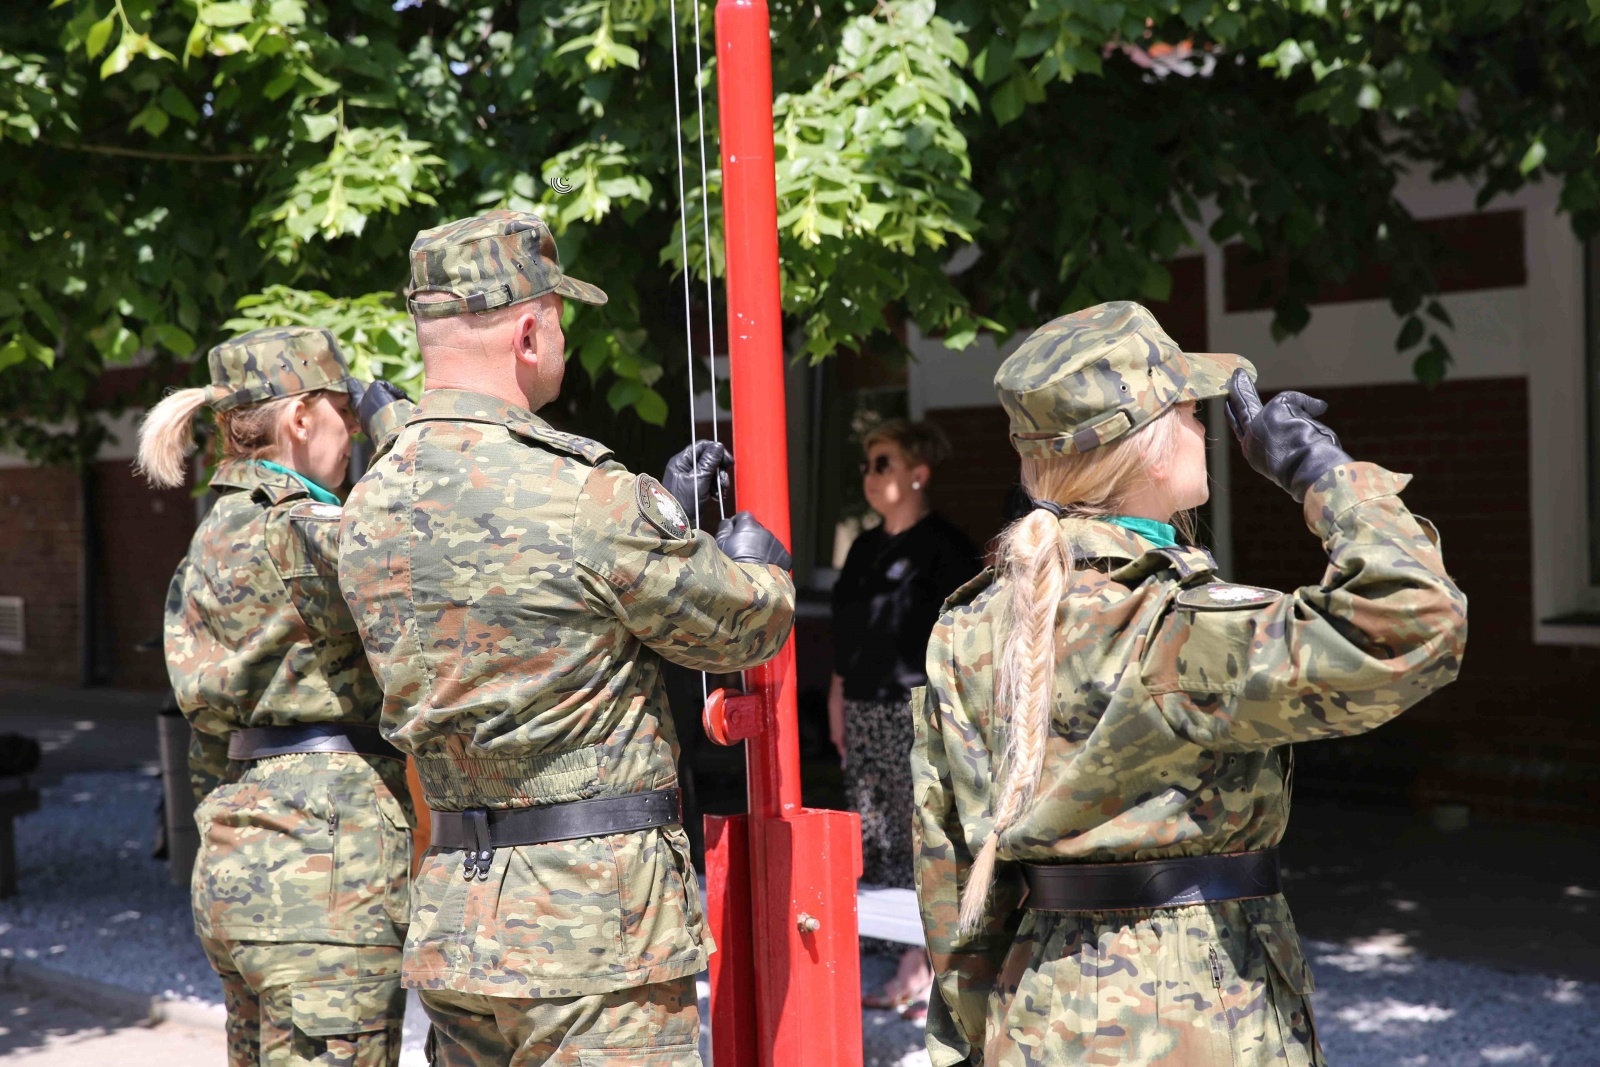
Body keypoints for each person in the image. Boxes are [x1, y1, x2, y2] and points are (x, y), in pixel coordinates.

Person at [911, 301, 1468, 1066]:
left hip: (1038, 1011)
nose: (1205, 425)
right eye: (1186, 409)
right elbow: (1417, 620)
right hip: (1196, 1012)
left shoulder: (968, 626)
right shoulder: (1187, 625)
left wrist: (977, 1040)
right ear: (1143, 447)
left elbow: (952, 880)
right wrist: (1326, 476)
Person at [337, 210, 795, 1067]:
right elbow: (745, 623)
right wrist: (746, 560)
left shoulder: (370, 501)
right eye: (557, 316)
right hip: (592, 933)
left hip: (458, 921)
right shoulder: (581, 492)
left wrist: (658, 526)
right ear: (526, 328)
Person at [137, 325, 416, 1067]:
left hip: (238, 865)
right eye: (342, 412)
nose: (350, 430)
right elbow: (434, 546)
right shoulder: (305, 530)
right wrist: (398, 430)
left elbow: (202, 735)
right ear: (298, 419)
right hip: (324, 877)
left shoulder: (211, 539)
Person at [828, 418, 980, 1017]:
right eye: (868, 465)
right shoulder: (864, 547)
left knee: (925, 833)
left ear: (918, 473)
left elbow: (962, 640)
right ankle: (895, 957)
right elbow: (846, 632)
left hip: (919, 708)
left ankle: (926, 963)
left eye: (883, 464)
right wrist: (838, 696)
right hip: (863, 706)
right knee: (876, 832)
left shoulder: (945, 548)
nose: (871, 476)